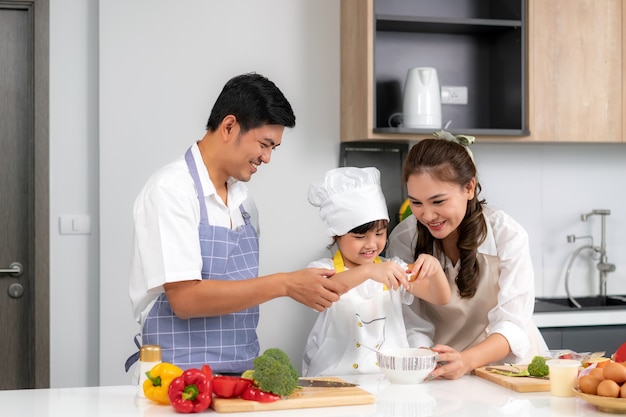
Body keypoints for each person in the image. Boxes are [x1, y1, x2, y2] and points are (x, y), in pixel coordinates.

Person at [128, 73, 346, 374]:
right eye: (264, 144)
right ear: (229, 126)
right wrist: (285, 284)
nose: (267, 158)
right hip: (175, 378)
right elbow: (185, 300)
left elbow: (240, 292)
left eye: (274, 148)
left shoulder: (245, 204)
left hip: (239, 372)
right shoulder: (171, 190)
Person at [387, 132, 548, 380]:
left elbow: (513, 324)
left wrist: (466, 360)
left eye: (438, 201)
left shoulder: (507, 234)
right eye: (416, 203)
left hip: (506, 370)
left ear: (469, 187)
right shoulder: (403, 239)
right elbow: (412, 321)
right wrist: (423, 355)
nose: (427, 215)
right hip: (440, 369)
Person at [302, 166, 450, 376]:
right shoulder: (322, 270)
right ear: (337, 234)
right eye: (360, 237)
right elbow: (327, 288)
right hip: (334, 380)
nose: (371, 244)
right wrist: (368, 272)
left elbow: (440, 297)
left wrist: (435, 270)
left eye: (380, 234)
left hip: (388, 381)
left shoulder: (393, 269)